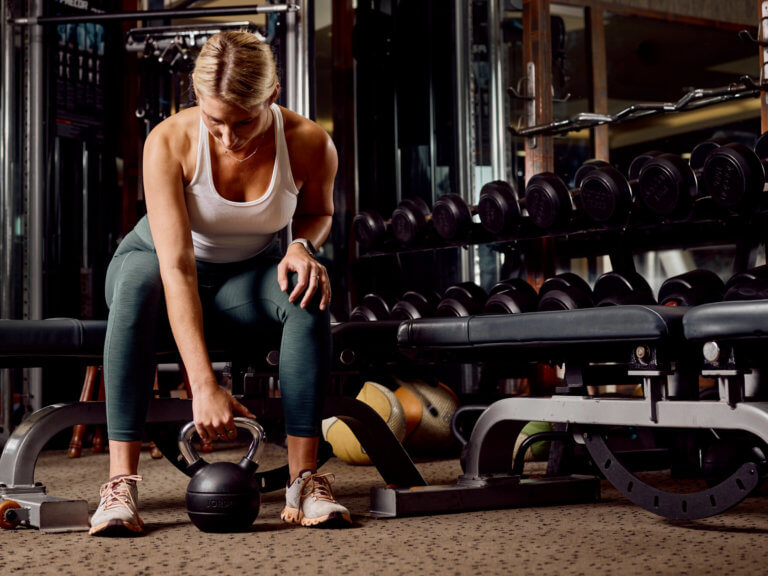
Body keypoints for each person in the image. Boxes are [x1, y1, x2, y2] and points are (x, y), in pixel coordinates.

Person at [89, 31, 351, 536]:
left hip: (245, 278)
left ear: (271, 98)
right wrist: (203, 386)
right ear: (196, 99)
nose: (228, 138)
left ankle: (304, 481)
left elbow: (319, 212)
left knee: (307, 293)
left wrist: (302, 246)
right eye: (214, 121)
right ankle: (120, 485)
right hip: (153, 263)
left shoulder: (310, 142)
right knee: (139, 285)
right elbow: (178, 266)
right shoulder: (168, 141)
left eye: (243, 121)